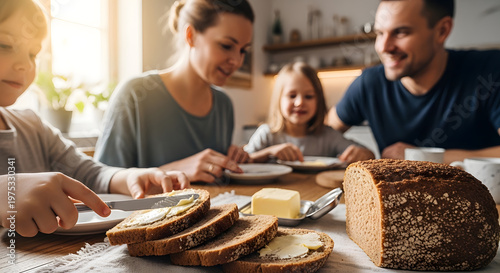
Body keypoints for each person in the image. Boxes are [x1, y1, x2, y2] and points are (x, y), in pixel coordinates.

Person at [0, 0, 189, 237]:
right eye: (5, 44)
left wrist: (130, 177)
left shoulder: (33, 126)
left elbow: (90, 174)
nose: (25, 64)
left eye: (33, 54)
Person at [94, 0, 254, 183]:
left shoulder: (224, 105)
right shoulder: (135, 95)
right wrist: (175, 170)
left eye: (243, 51)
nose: (236, 61)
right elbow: (102, 184)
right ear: (191, 35)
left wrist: (232, 161)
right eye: (226, 45)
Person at [327, 0, 500, 164]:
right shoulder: (369, 83)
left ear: (442, 31)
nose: (384, 47)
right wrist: (361, 151)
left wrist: (419, 156)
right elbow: (322, 130)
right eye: (379, 33)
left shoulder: (490, 71)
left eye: (400, 32)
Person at [245, 62, 375, 163]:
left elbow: (369, 154)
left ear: (319, 101)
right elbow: (244, 161)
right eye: (292, 96)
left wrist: (362, 154)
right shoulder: (267, 134)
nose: (300, 102)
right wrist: (269, 152)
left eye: (308, 96)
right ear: (279, 100)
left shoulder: (328, 136)